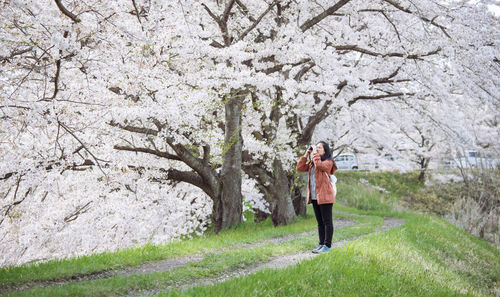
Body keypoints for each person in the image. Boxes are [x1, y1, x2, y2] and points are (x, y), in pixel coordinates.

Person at [296, 141, 337, 253]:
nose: (317, 149)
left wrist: (314, 153)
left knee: (327, 221)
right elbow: (299, 167)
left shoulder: (328, 162)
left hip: (325, 196)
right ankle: (321, 244)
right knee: (320, 222)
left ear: (325, 150)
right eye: (316, 147)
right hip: (315, 196)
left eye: (319, 148)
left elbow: (320, 165)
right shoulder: (312, 163)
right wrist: (306, 154)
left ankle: (327, 245)